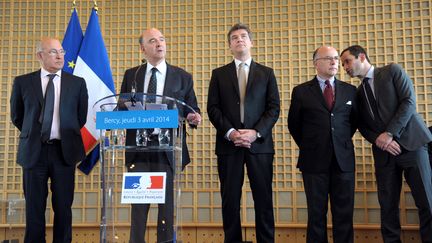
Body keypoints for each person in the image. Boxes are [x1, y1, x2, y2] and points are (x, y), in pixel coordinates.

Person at [340, 45, 432, 242]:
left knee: (427, 202)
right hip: (383, 153)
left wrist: (390, 133)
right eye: (343, 64)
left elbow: (408, 102)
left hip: (412, 145)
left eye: (347, 61)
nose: (344, 67)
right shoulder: (356, 93)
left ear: (361, 57)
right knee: (387, 206)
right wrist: (379, 140)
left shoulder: (392, 71)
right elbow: (361, 125)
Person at [120, 28, 201, 243]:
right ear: (143, 48)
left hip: (168, 149)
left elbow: (192, 109)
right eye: (153, 41)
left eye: (162, 39)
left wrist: (194, 117)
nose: (159, 44)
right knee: (138, 207)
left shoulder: (182, 76)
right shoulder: (132, 74)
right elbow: (122, 107)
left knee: (166, 208)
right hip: (138, 149)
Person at [10, 37, 88, 243]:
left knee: (63, 207)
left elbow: (80, 117)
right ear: (40, 56)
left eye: (61, 51)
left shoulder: (77, 83)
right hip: (34, 151)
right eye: (53, 52)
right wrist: (38, 134)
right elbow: (17, 116)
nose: (60, 56)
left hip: (64, 152)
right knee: (34, 207)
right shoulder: (23, 82)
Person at [207, 23, 280, 243]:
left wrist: (255, 133)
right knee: (230, 200)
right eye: (235, 37)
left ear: (251, 42)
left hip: (259, 146)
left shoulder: (266, 73)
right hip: (229, 146)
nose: (239, 40)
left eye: (244, 36)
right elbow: (213, 108)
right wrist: (230, 132)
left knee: (264, 200)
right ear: (230, 45)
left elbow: (273, 108)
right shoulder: (218, 74)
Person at [287, 46, 357, 243]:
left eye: (336, 58)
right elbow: (294, 125)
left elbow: (353, 123)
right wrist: (313, 145)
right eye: (328, 58)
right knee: (316, 215)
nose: (334, 62)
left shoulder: (350, 90)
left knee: (344, 215)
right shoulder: (301, 91)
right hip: (313, 161)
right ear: (316, 63)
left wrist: (337, 143)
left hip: (343, 161)